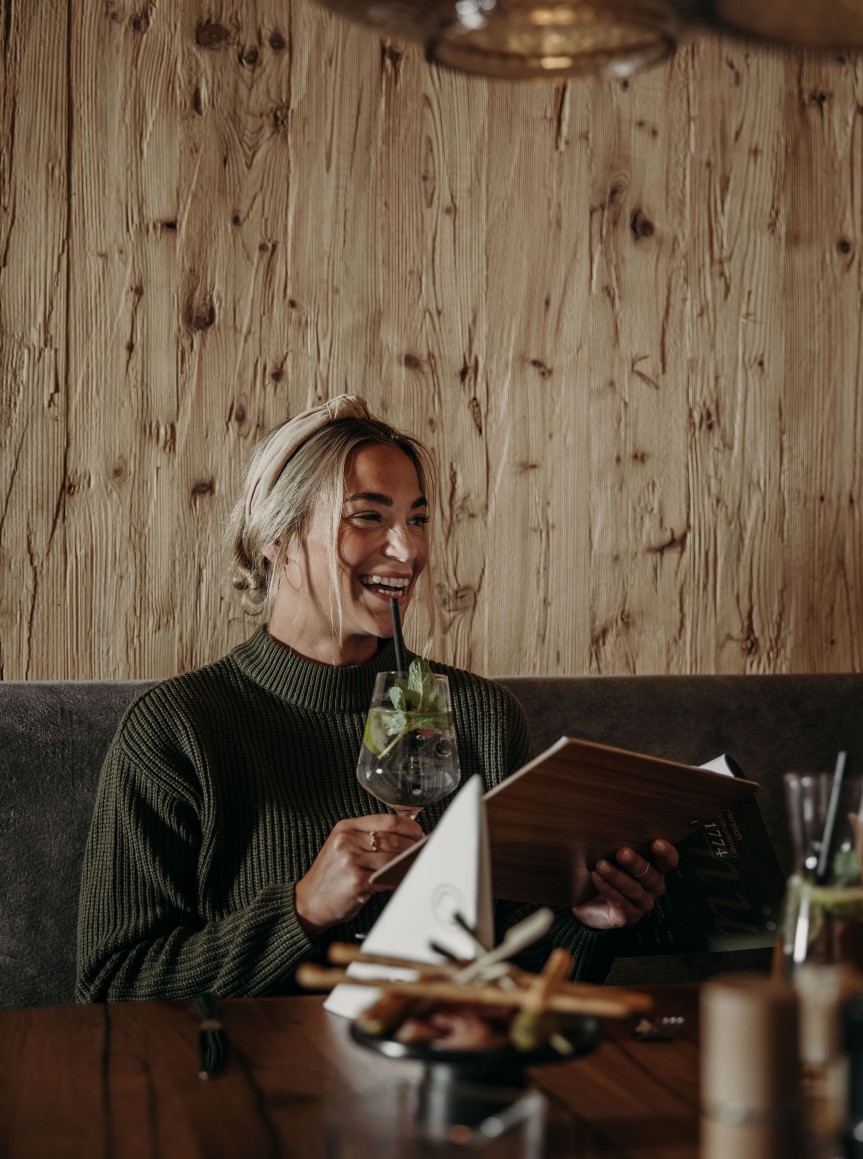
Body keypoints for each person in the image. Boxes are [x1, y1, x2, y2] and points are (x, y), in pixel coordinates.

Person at [76, 395, 678, 1002]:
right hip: (254, 1084)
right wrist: (302, 911)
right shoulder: (175, 731)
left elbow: (515, 987)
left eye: (417, 520)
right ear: (278, 538)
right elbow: (110, 990)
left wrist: (591, 922)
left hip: (444, 1076)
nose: (408, 551)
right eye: (368, 517)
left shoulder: (480, 718)